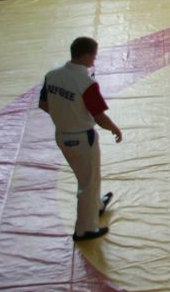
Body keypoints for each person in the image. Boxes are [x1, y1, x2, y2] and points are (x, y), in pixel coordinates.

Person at [38, 36, 122, 241]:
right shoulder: (86, 83)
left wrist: (65, 116)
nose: (95, 59)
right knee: (87, 183)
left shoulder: (52, 76)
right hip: (83, 138)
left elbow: (43, 104)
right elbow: (99, 116)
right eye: (94, 55)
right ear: (85, 56)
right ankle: (85, 230)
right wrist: (114, 129)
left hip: (62, 135)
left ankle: (96, 206)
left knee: (88, 177)